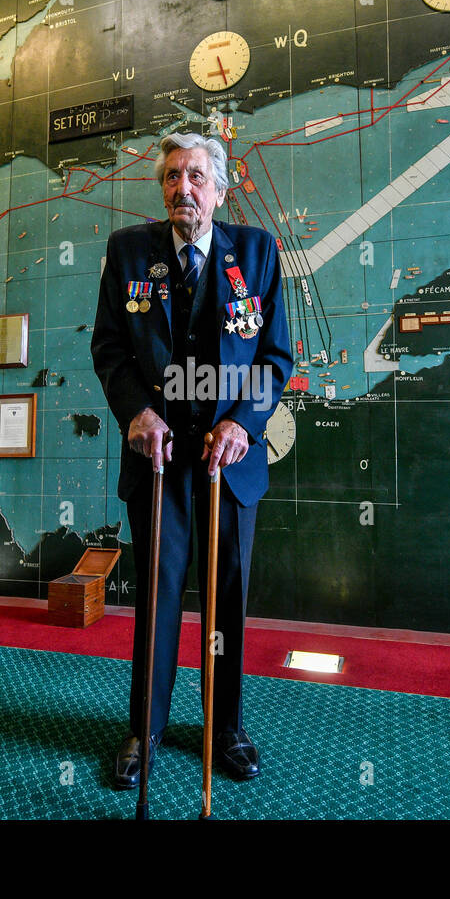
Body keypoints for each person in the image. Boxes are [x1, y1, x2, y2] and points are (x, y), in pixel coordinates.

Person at [91, 131, 292, 789]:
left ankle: (224, 728)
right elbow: (110, 351)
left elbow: (275, 358)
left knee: (225, 602)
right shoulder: (127, 253)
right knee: (156, 600)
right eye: (173, 176)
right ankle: (144, 731)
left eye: (197, 176)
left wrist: (243, 422)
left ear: (220, 188)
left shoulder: (258, 254)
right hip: (159, 461)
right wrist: (135, 414)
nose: (184, 187)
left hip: (227, 464)